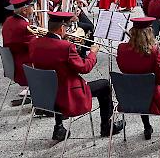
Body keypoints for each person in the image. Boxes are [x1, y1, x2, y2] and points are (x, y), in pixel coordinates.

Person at [29, 11, 124, 141]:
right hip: (68, 95)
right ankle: (106, 126)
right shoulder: (66, 47)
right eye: (67, 28)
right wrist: (92, 53)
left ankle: (59, 127)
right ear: (62, 28)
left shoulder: (34, 43)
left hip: (46, 93)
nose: (68, 31)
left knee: (57, 82)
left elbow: (55, 61)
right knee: (105, 85)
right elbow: (85, 68)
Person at [1, 0, 37, 96]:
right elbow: (35, 46)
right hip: (24, 66)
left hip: (14, 62)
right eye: (32, 7)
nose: (33, 10)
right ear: (24, 10)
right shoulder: (23, 26)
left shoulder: (9, 21)